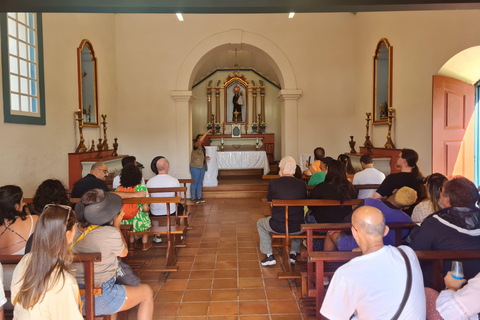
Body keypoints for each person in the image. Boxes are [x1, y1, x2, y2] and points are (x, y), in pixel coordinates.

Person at [320, 206, 426, 320]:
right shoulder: (407, 254)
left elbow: (332, 317)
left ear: (354, 232)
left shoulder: (346, 273)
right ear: (385, 230)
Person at [72, 189, 154, 318]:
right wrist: (116, 226)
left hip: (73, 296)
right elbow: (124, 253)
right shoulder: (110, 233)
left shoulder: (71, 230)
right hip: (102, 296)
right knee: (147, 292)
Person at [10, 204, 83, 319]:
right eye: (74, 227)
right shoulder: (64, 282)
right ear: (67, 235)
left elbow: (15, 299)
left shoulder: (25, 260)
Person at [408, 176, 480, 287]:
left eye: (442, 193)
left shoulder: (434, 223)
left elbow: (413, 256)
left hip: (441, 290)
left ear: (447, 200)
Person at [324, 186, 416, 251]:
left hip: (357, 247)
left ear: (394, 191)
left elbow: (348, 221)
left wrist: (339, 229)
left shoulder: (369, 202)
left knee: (331, 233)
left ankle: (326, 272)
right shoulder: (407, 220)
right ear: (406, 207)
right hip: (386, 253)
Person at [257, 156, 307, 266]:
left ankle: (269, 255)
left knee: (260, 223)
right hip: (298, 227)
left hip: (278, 225)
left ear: (283, 169)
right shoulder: (302, 184)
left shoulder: (274, 183)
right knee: (298, 218)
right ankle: (293, 253)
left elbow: (270, 202)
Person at [146, 157, 183, 243]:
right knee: (181, 209)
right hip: (171, 210)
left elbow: (148, 198)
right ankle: (174, 233)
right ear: (167, 167)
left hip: (155, 210)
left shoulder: (150, 182)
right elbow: (178, 198)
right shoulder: (174, 180)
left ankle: (158, 236)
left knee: (152, 211)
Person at [117, 163, 151, 249]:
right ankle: (145, 244)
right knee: (144, 216)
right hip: (140, 222)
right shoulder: (142, 188)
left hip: (124, 220)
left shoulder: (119, 189)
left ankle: (131, 244)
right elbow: (146, 208)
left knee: (131, 220)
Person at [71, 161, 146, 199]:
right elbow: (111, 195)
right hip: (92, 216)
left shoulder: (79, 182)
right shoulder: (98, 182)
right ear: (96, 170)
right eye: (105, 171)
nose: (107, 174)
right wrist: (135, 194)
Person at [0, 185, 38, 255]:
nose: (24, 204)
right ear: (16, 206)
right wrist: (28, 215)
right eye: (22, 201)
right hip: (26, 265)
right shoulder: (34, 220)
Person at [190, 129, 211, 203]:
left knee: (200, 182)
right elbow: (199, 142)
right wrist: (207, 132)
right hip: (195, 166)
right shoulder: (196, 145)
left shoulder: (202, 148)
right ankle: (193, 197)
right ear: (198, 139)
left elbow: (200, 156)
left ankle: (199, 197)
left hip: (202, 166)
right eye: (201, 138)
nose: (202, 139)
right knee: (194, 182)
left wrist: (206, 157)